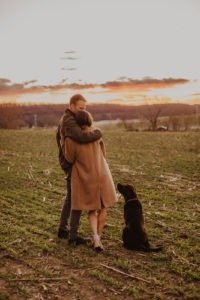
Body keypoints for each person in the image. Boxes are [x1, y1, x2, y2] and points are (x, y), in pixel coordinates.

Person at [64, 110, 118, 251]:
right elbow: (103, 154)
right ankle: (98, 239)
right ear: (89, 119)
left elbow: (69, 159)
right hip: (101, 173)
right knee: (103, 208)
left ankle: (95, 237)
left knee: (92, 210)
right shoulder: (96, 134)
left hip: (85, 177)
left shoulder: (71, 139)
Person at [56, 94, 102, 245]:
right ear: (72, 105)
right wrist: (97, 133)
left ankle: (63, 229)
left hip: (70, 163)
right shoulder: (69, 120)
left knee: (71, 198)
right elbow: (80, 137)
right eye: (81, 108)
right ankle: (72, 236)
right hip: (71, 164)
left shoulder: (70, 118)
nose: (83, 110)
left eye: (85, 108)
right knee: (75, 199)